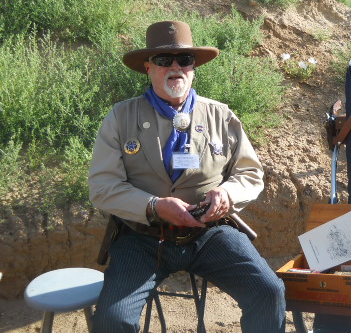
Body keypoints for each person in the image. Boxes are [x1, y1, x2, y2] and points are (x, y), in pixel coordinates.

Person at [89, 20, 286, 332]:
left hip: (210, 234)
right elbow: (102, 186)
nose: (175, 67)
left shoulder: (221, 115)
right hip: (142, 237)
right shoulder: (121, 117)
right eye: (164, 60)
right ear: (149, 68)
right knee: (112, 320)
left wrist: (227, 194)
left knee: (269, 292)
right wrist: (153, 206)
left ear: (193, 68)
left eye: (184, 59)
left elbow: (250, 172)